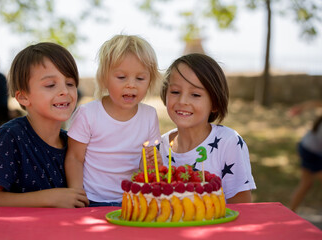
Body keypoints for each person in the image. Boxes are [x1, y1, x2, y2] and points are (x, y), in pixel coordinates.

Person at [0, 42, 89, 208]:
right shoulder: (11, 136)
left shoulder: (73, 143)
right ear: (23, 97)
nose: (65, 91)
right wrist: (50, 198)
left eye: (70, 83)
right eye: (50, 85)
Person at [65, 34, 162, 207]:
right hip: (92, 199)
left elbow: (145, 166)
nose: (131, 84)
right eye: (121, 77)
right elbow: (74, 157)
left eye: (140, 78)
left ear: (150, 81)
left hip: (133, 199)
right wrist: (76, 194)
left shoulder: (149, 115)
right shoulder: (88, 113)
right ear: (104, 78)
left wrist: (150, 163)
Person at [157, 53, 256, 203]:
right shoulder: (158, 148)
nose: (183, 101)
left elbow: (243, 208)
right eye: (175, 92)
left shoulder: (228, 142)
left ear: (215, 103)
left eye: (195, 94)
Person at [289, 100, 322, 212]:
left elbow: (315, 104)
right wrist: (300, 108)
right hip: (309, 150)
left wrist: (301, 107)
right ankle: (290, 213)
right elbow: (316, 103)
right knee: (305, 184)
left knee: (306, 184)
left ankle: (291, 212)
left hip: (308, 148)